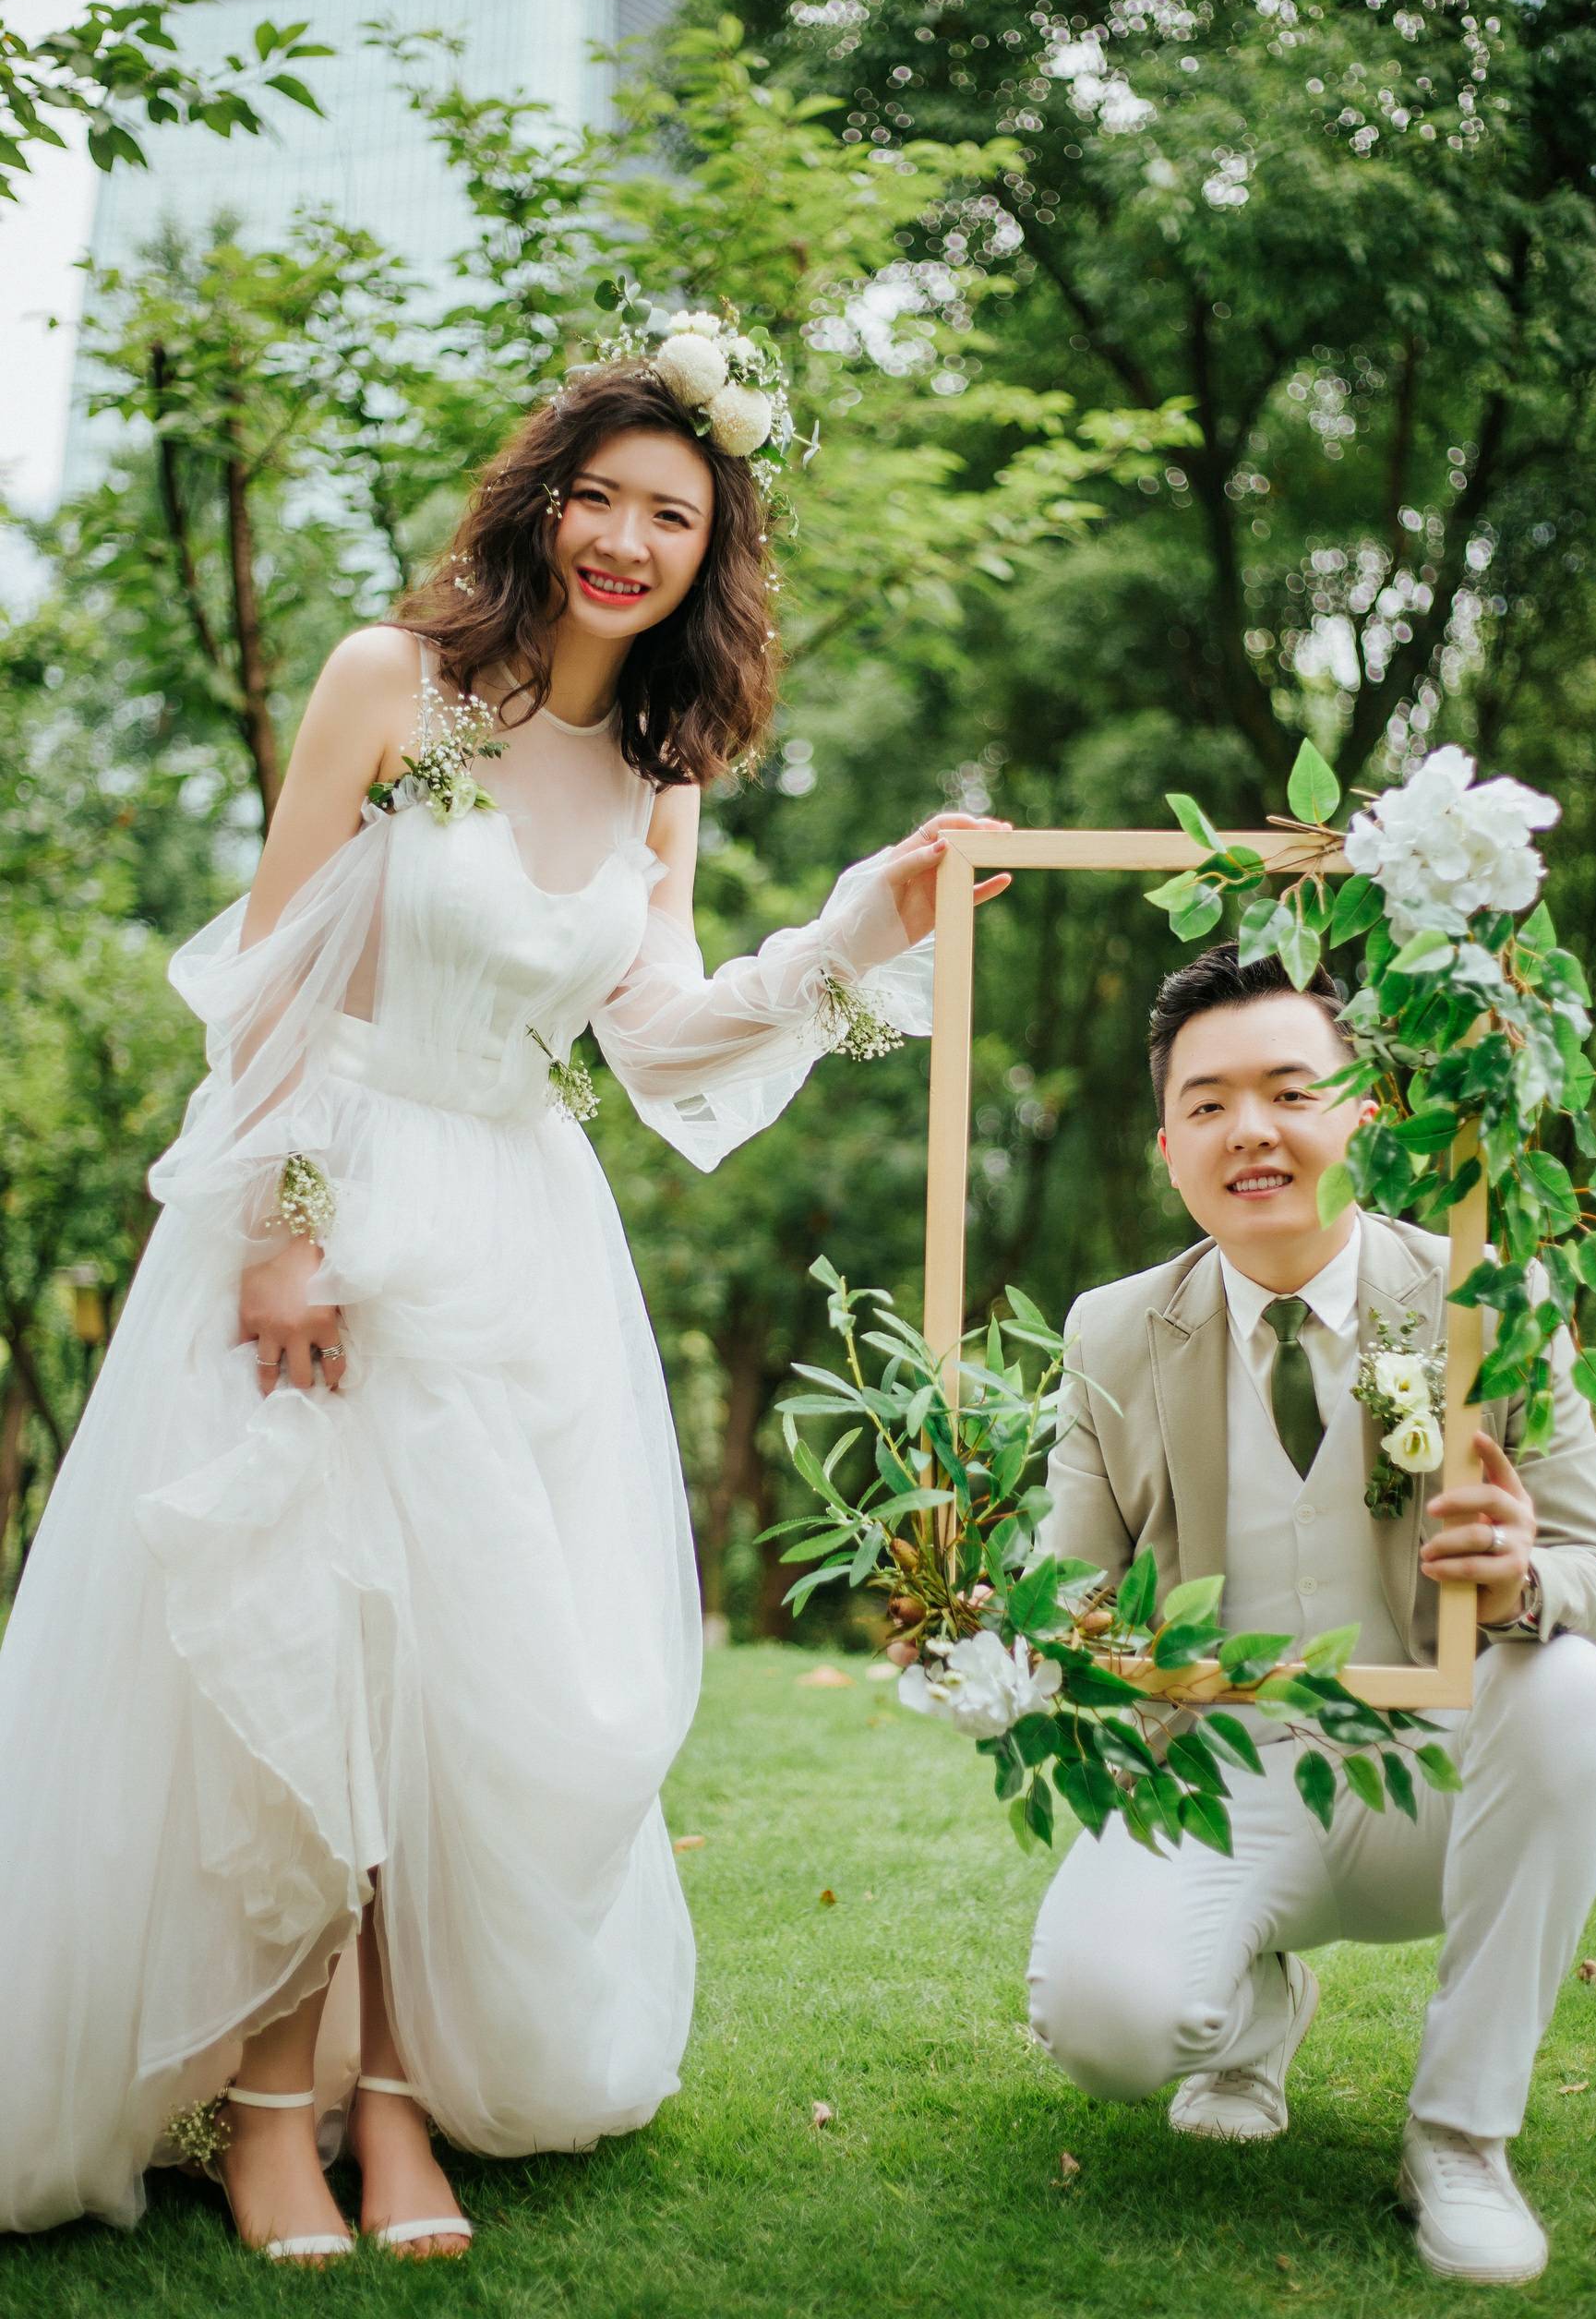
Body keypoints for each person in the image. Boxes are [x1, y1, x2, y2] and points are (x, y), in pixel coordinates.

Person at [0, 326, 1010, 2260]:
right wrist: (284, 1222)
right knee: (318, 1648)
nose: (626, 540)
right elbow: (272, 974)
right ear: (543, 505)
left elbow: (661, 1032)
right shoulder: (389, 681)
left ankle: (397, 2109)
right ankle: (267, 2111)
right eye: (599, 498)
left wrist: (862, 921)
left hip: (524, 1239)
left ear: (712, 555)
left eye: (672, 516)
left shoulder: (659, 770)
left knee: (474, 1691)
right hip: (334, 1190)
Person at [1028, 941, 1596, 2288]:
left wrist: (1521, 1580)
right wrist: (982, 1607)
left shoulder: (1488, 1300)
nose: (1250, 1130)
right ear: (1167, 1148)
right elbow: (1070, 1598)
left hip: (1437, 1768)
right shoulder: (1110, 1333)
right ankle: (1251, 2007)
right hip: (1222, 1768)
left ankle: (1460, 2137)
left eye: (1290, 1091)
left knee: (1573, 1688)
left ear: (1364, 1113)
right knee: (1103, 2025)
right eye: (1207, 1104)